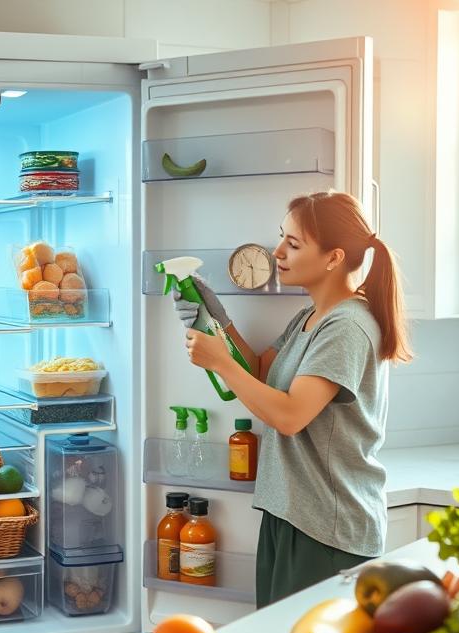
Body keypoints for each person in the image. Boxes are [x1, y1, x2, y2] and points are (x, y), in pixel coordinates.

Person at [173, 191, 411, 607]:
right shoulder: (309, 316)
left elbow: (290, 416)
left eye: (293, 244)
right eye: (281, 237)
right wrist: (217, 319)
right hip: (291, 512)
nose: (277, 252)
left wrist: (219, 362)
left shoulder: (347, 327)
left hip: (327, 527)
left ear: (334, 258)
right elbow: (263, 373)